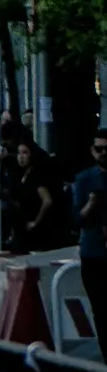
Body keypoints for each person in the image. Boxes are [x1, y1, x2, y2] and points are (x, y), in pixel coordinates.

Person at [71, 129, 107, 322]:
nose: (103, 153)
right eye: (99, 149)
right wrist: (91, 203)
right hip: (94, 251)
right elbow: (77, 219)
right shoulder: (84, 178)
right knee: (100, 307)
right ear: (92, 151)